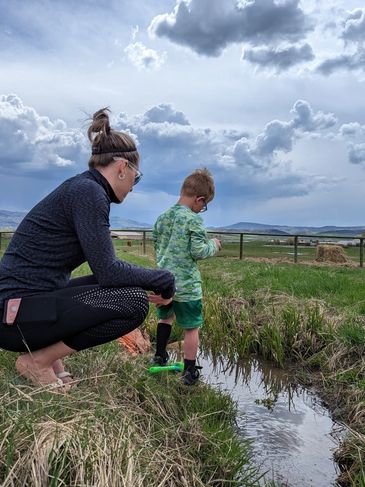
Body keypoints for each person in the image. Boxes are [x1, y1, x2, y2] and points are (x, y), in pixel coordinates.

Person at [0, 108, 175, 389]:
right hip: (14, 317)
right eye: (136, 178)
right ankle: (39, 360)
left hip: (20, 308)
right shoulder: (89, 193)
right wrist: (163, 280)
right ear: (122, 168)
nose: (133, 187)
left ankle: (45, 356)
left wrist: (148, 279)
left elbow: (103, 275)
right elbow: (109, 271)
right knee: (134, 302)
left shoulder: (83, 189)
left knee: (115, 288)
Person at [150, 168, 221, 385]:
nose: (202, 210)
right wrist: (214, 245)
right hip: (187, 285)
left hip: (163, 281)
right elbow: (198, 251)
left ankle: (160, 357)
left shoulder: (162, 218)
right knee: (191, 327)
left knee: (166, 318)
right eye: (204, 205)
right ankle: (190, 371)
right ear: (199, 199)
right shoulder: (193, 220)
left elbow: (158, 246)